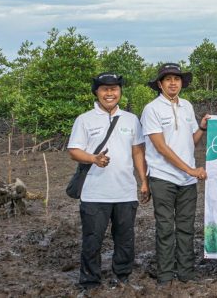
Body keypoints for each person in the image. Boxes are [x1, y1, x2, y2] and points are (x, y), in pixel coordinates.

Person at [67, 72, 149, 291]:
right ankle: (89, 282)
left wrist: (143, 181)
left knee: (125, 240)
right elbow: (74, 151)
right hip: (94, 193)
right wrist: (93, 158)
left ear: (120, 92)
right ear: (97, 92)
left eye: (114, 89)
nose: (110, 93)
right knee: (92, 240)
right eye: (105, 89)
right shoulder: (84, 119)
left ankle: (122, 277)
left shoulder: (131, 120)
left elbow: (138, 152)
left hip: (125, 192)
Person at [141, 63, 209, 285]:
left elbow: (191, 142)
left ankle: (186, 273)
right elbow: (161, 147)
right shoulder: (152, 109)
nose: (173, 83)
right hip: (163, 177)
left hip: (187, 180)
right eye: (168, 79)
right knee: (164, 227)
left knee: (187, 227)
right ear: (160, 84)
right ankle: (165, 275)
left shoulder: (187, 106)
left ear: (182, 83)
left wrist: (202, 127)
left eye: (177, 79)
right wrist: (190, 169)